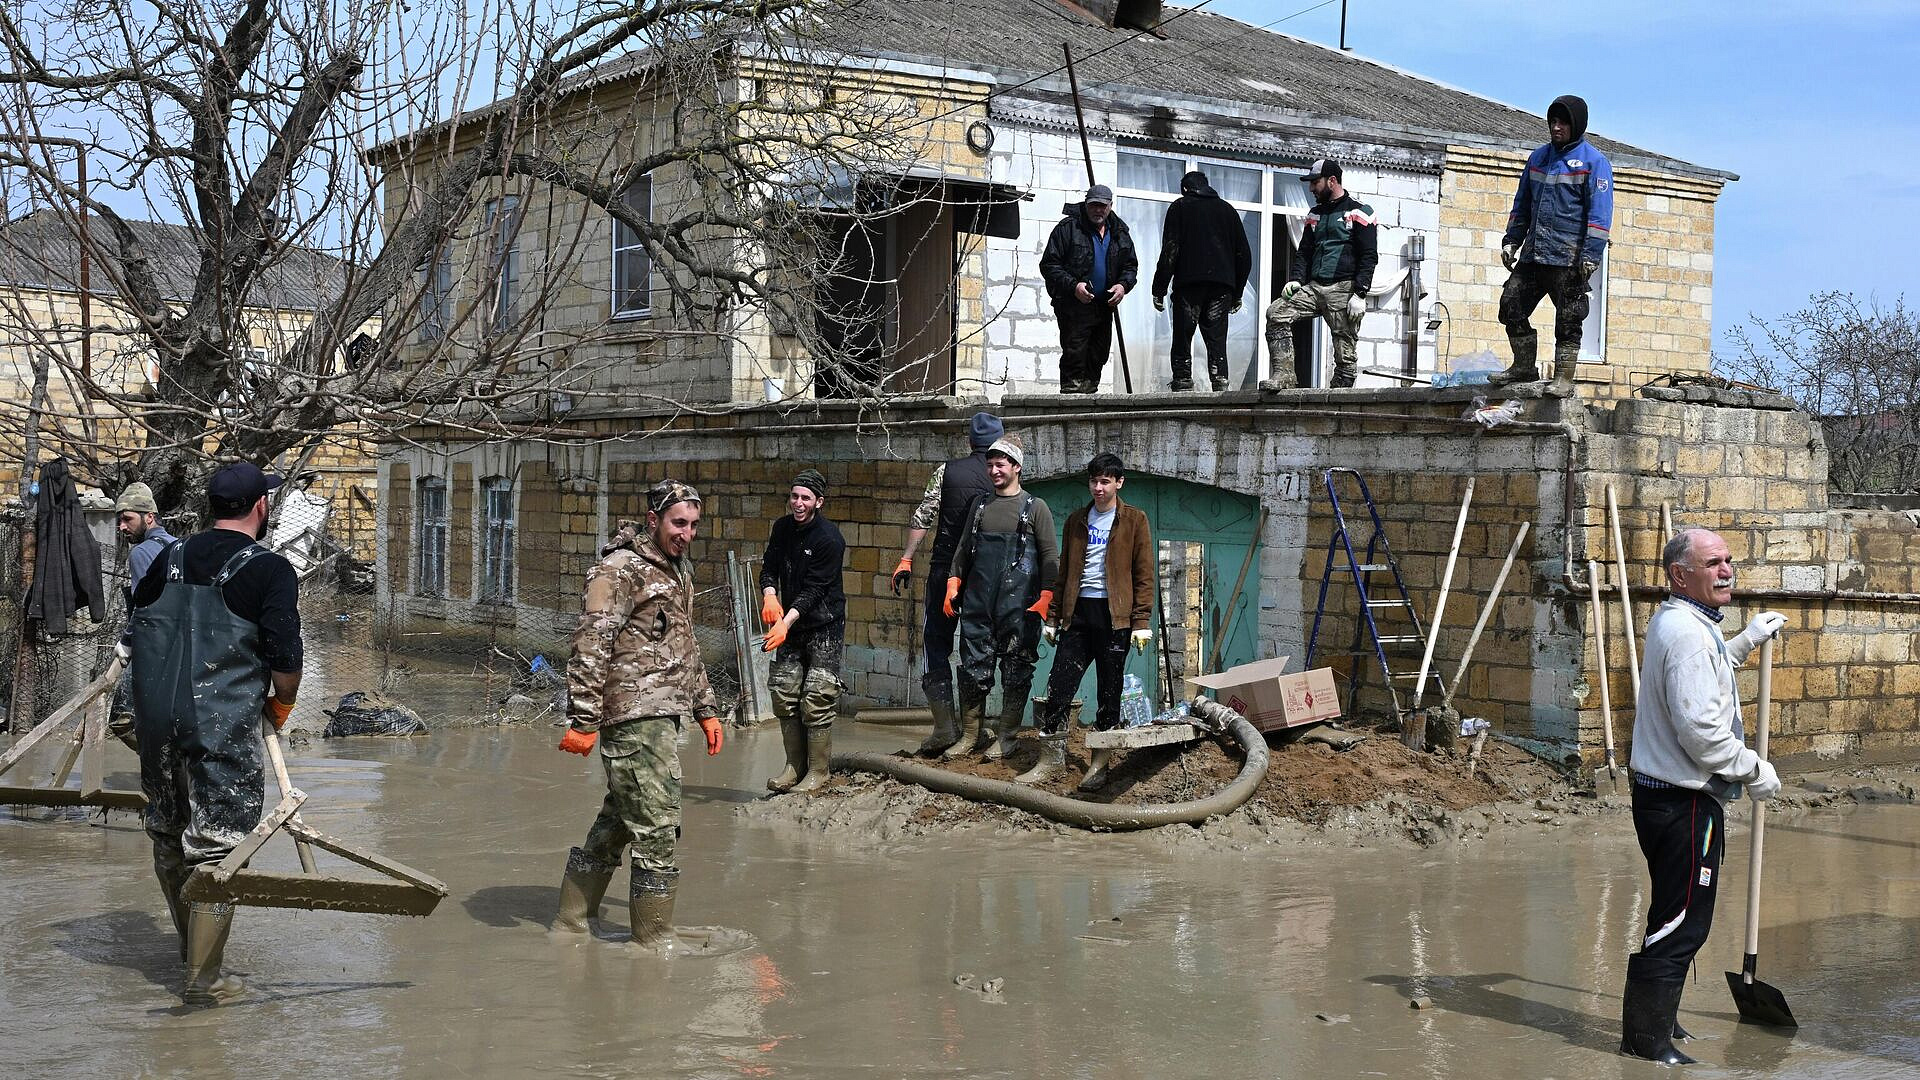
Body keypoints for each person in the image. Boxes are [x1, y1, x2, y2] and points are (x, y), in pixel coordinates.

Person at [125, 462, 303, 1005]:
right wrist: (283, 702)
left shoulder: (167, 557)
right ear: (261, 507)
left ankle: (190, 950)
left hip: (155, 722)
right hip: (219, 725)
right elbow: (285, 655)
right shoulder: (269, 569)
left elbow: (138, 627)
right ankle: (205, 982)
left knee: (167, 831)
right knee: (219, 846)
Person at [1620, 527, 1785, 1063]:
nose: (1726, 571)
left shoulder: (1681, 623)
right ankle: (1646, 1044)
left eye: (1728, 561)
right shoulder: (1689, 634)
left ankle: (1660, 1022)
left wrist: (1745, 641)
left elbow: (1703, 679)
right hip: (1683, 802)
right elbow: (1703, 733)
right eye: (1712, 563)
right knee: (1683, 922)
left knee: (1671, 909)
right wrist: (1755, 770)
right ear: (1679, 575)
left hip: (1661, 794)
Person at [553, 480, 726, 952]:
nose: (686, 533)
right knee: (659, 823)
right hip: (631, 714)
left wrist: (706, 708)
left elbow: (684, 647)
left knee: (621, 819)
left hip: (665, 712)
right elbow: (591, 644)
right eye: (678, 523)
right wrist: (583, 720)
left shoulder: (677, 571)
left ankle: (572, 921)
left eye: (693, 525)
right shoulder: (619, 570)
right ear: (653, 521)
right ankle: (653, 938)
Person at [1029, 453, 1154, 787]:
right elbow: (1064, 572)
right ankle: (1050, 760)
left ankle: (1099, 765)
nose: (1098, 488)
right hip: (1079, 614)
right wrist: (1054, 618)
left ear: (1118, 482)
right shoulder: (1076, 520)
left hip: (1115, 618)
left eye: (1105, 482)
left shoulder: (1134, 520)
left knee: (1108, 693)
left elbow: (1144, 575)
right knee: (1059, 686)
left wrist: (1141, 622)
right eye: (1094, 481)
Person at [940, 435, 1059, 759]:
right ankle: (970, 735)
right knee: (973, 669)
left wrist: (1047, 597)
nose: (993, 470)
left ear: (1016, 467)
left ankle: (1006, 736)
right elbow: (964, 549)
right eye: (990, 464)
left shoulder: (1036, 508)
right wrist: (954, 581)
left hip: (1019, 608)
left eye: (1000, 464)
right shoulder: (980, 506)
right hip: (978, 604)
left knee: (1016, 671)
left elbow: (1050, 555)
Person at [892, 411, 1003, 755]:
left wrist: (906, 557)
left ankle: (944, 728)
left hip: (943, 573)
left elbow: (923, 515)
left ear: (969, 442)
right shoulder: (1005, 476)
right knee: (978, 648)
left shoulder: (947, 471)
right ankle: (974, 731)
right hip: (983, 575)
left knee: (935, 643)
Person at [1489, 95, 1614, 391]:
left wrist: (1590, 255)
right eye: (1553, 122)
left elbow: (1600, 215)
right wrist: (1512, 240)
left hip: (1569, 257)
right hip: (1535, 254)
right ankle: (1523, 367)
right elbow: (1522, 204)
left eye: (1563, 123)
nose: (1556, 128)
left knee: (1569, 318)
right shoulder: (1538, 159)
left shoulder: (1594, 163)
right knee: (1510, 306)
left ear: (1577, 125)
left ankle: (1563, 378)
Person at [758, 468, 846, 794]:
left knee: (817, 695)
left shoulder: (829, 538)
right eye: (794, 496)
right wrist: (769, 593)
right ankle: (793, 768)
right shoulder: (782, 528)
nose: (798, 503)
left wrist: (786, 621)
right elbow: (769, 566)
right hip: (790, 625)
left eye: (805, 498)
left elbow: (815, 589)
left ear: (818, 502)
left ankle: (819, 772)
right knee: (784, 692)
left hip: (824, 624)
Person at [1260, 159, 1377, 391]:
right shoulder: (1314, 214)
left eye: (1315, 182)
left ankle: (1338, 400)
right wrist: (1296, 279)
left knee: (1345, 354)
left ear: (1331, 181)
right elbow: (1304, 252)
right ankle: (1284, 376)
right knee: (1276, 314)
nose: (1311, 188)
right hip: (1314, 288)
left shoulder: (1360, 212)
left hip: (1344, 289)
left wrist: (1360, 293)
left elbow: (1369, 255)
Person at [1150, 170, 1253, 392]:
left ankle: (1183, 380)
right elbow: (1244, 255)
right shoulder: (1228, 210)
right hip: (1221, 286)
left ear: (1185, 189)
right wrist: (1237, 292)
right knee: (1216, 338)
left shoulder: (1180, 207)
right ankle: (1220, 381)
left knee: (1183, 335)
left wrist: (1159, 288)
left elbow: (1170, 250)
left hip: (1189, 284)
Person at [1040, 184, 1139, 394]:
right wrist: (1074, 286)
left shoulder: (1120, 232)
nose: (1098, 210)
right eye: (1094, 205)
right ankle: (1071, 391)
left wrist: (1123, 286)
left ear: (1110, 206)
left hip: (1104, 303)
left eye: (1102, 206)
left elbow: (1130, 266)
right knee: (1075, 349)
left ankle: (1089, 390)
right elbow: (1049, 265)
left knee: (1099, 352)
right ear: (1086, 204)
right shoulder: (1069, 228)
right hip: (1073, 304)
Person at [108, 482, 176, 749]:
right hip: (184, 647)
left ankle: (162, 763)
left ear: (149, 517)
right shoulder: (179, 546)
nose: (121, 526)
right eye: (119, 520)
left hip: (153, 646)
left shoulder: (140, 553)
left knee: (122, 720)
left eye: (127, 519)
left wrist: (126, 641)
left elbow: (145, 607)